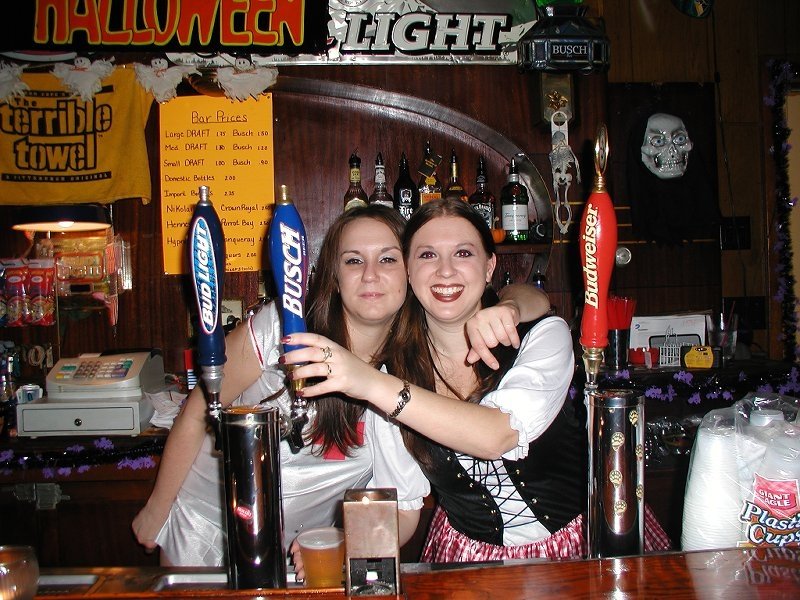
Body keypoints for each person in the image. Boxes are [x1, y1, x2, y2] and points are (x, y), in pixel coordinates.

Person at [132, 203, 550, 567]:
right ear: (333, 274)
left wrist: (512, 305)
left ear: (411, 272)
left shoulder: (417, 362)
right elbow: (198, 409)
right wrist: (157, 506)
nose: (370, 275)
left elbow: (532, 300)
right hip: (210, 525)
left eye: (387, 259)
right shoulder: (285, 327)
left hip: (312, 542)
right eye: (353, 261)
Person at [284, 198, 671, 562]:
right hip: (467, 556)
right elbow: (403, 511)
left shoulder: (542, 337)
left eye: (464, 254)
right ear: (408, 270)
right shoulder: (391, 376)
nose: (446, 270)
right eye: (427, 255)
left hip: (583, 546)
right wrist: (351, 539)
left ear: (489, 268)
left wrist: (367, 382)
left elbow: (499, 436)